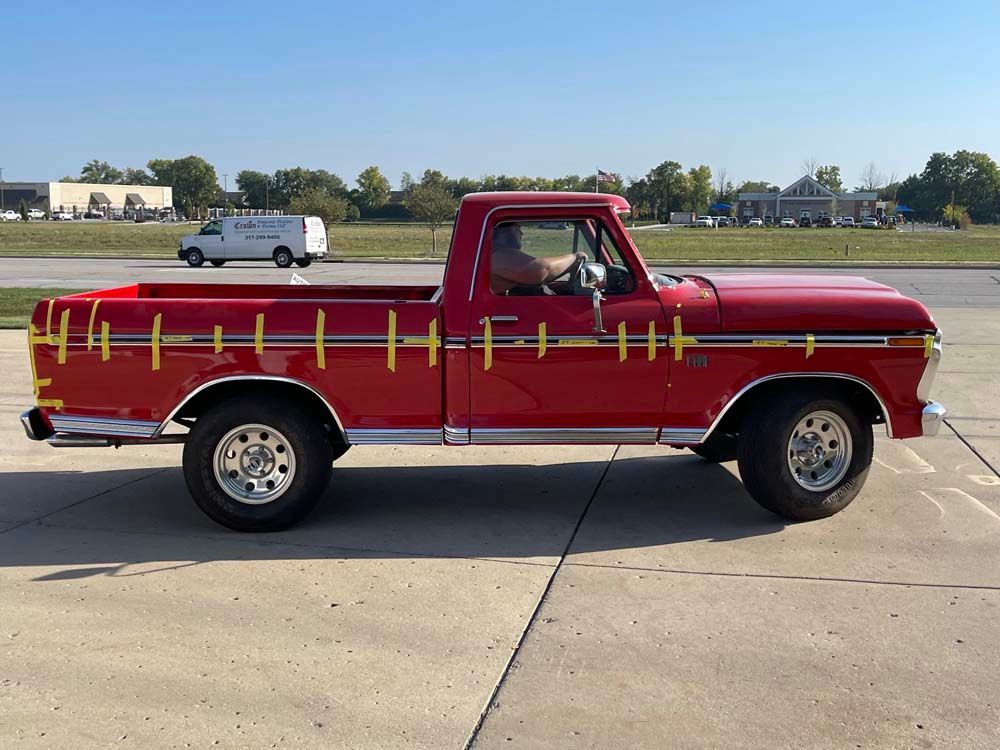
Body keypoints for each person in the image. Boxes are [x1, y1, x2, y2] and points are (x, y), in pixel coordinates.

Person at [490, 223, 588, 295]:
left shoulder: (497, 254)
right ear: (505, 231)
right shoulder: (499, 255)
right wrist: (575, 258)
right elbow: (540, 270)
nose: (521, 233)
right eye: (517, 228)